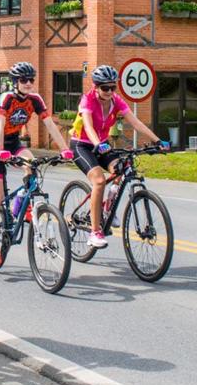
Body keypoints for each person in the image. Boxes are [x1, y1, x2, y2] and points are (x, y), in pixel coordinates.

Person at [0, 62, 74, 266]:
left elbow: (50, 124)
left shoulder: (35, 99)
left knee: (32, 163)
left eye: (31, 79)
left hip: (13, 143)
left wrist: (65, 149)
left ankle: (23, 201)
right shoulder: (7, 98)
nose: (28, 83)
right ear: (15, 82)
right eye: (24, 80)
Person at [70, 65, 168, 248]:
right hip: (82, 145)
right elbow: (89, 127)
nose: (109, 91)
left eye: (113, 87)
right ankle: (95, 231)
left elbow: (136, 122)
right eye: (105, 88)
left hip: (103, 145)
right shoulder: (87, 100)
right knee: (99, 181)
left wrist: (158, 141)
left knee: (123, 168)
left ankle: (108, 206)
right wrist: (97, 144)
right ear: (96, 87)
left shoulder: (116, 101)